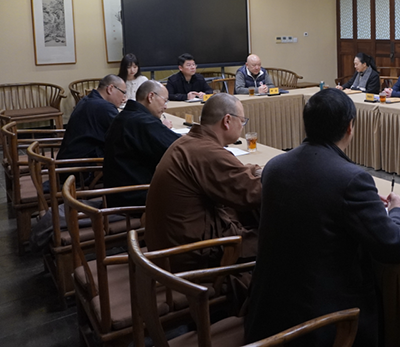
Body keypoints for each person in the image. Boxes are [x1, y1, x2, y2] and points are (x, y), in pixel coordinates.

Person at [244, 89, 400, 346]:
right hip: (320, 325)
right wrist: (399, 210)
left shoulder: (275, 167)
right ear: (350, 127)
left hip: (266, 313)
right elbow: (394, 246)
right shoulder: (351, 179)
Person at [145, 93, 261, 271]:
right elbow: (249, 193)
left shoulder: (190, 141)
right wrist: (280, 175)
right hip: (189, 255)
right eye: (242, 121)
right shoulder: (207, 151)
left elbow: (234, 174)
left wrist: (256, 170)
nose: (242, 126)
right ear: (227, 121)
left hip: (167, 245)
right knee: (281, 238)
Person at [103, 81, 180, 207]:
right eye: (165, 101)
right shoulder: (142, 122)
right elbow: (178, 147)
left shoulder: (127, 115)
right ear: (151, 97)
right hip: (134, 196)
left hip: (118, 193)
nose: (165, 106)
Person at [57, 75, 126, 161]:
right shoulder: (104, 107)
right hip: (80, 165)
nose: (124, 98)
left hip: (68, 158)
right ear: (110, 89)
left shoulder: (87, 99)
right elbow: (124, 133)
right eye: (123, 92)